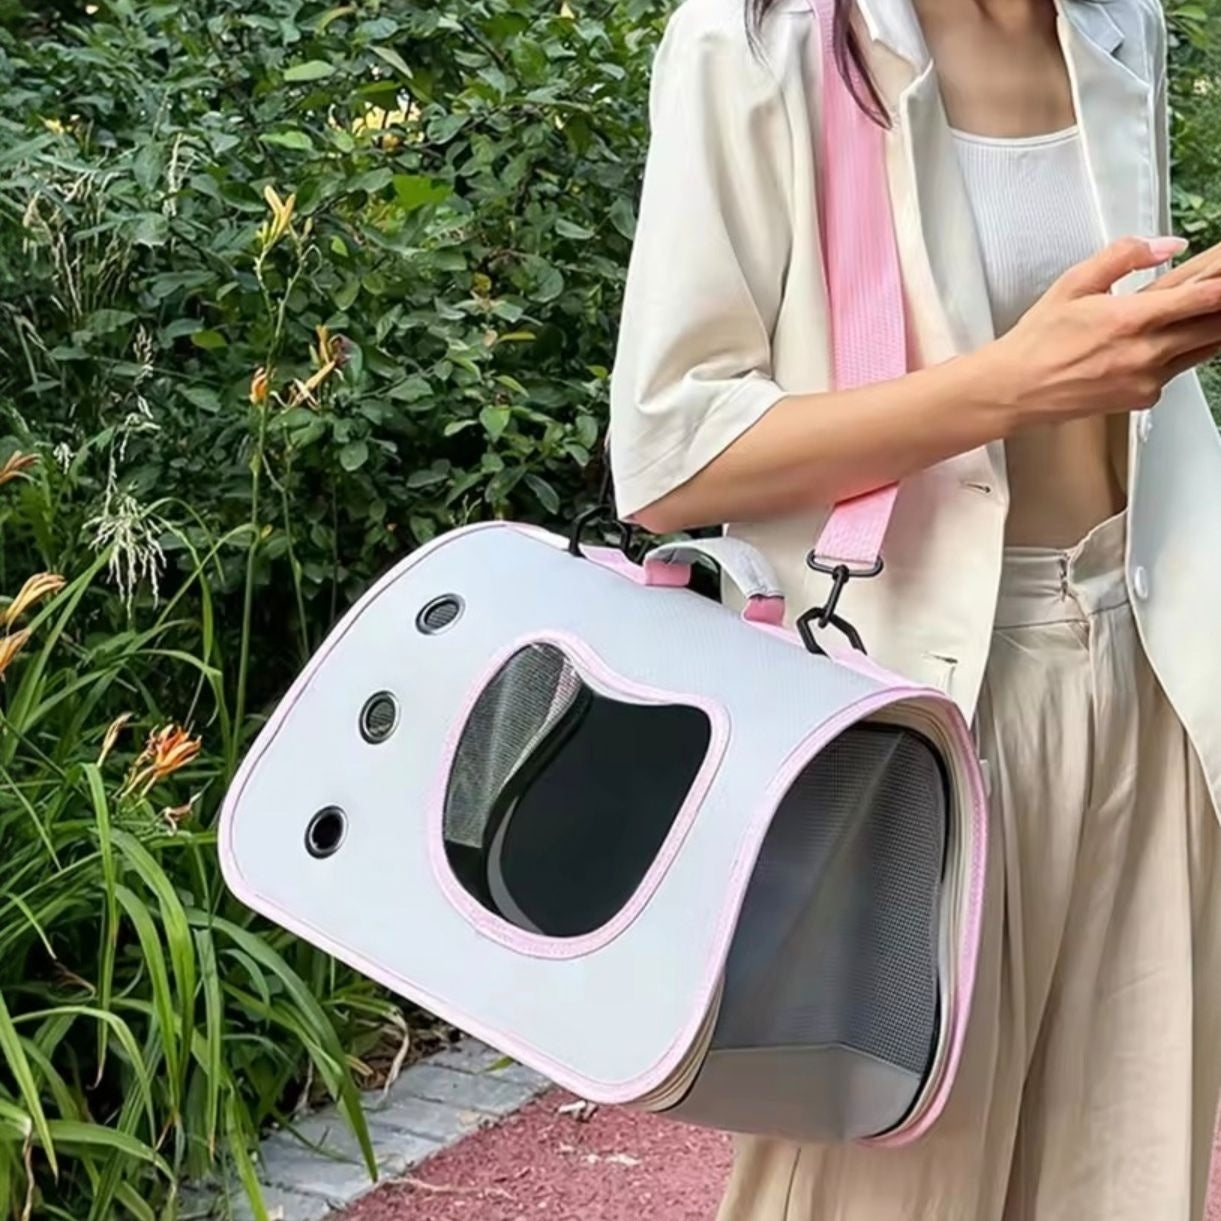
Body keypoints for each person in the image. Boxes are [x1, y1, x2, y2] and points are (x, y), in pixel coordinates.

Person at [609, 0, 1221, 1216]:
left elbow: (1117, 386)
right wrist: (1009, 384)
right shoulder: (759, 41)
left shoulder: (1123, 25)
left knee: (1124, 1183)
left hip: (1149, 672)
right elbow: (670, 458)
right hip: (915, 711)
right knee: (881, 1189)